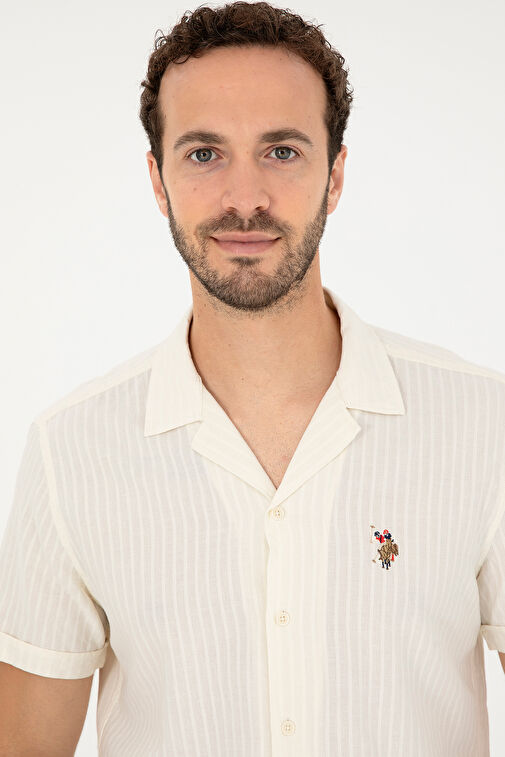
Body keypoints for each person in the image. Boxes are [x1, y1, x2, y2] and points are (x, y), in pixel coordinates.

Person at [1, 2, 505, 755]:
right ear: (158, 180)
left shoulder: (483, 425)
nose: (245, 198)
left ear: (335, 176)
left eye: (282, 151)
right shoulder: (70, 451)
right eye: (204, 153)